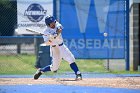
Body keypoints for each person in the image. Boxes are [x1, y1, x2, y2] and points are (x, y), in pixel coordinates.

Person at [34, 15, 82, 80]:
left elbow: (60, 29)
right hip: (54, 49)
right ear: (48, 24)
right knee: (54, 68)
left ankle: (78, 74)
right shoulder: (45, 31)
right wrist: (51, 39)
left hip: (61, 46)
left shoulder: (56, 24)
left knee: (71, 59)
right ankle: (41, 70)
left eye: (54, 22)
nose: (53, 24)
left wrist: (55, 34)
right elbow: (47, 43)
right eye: (51, 23)